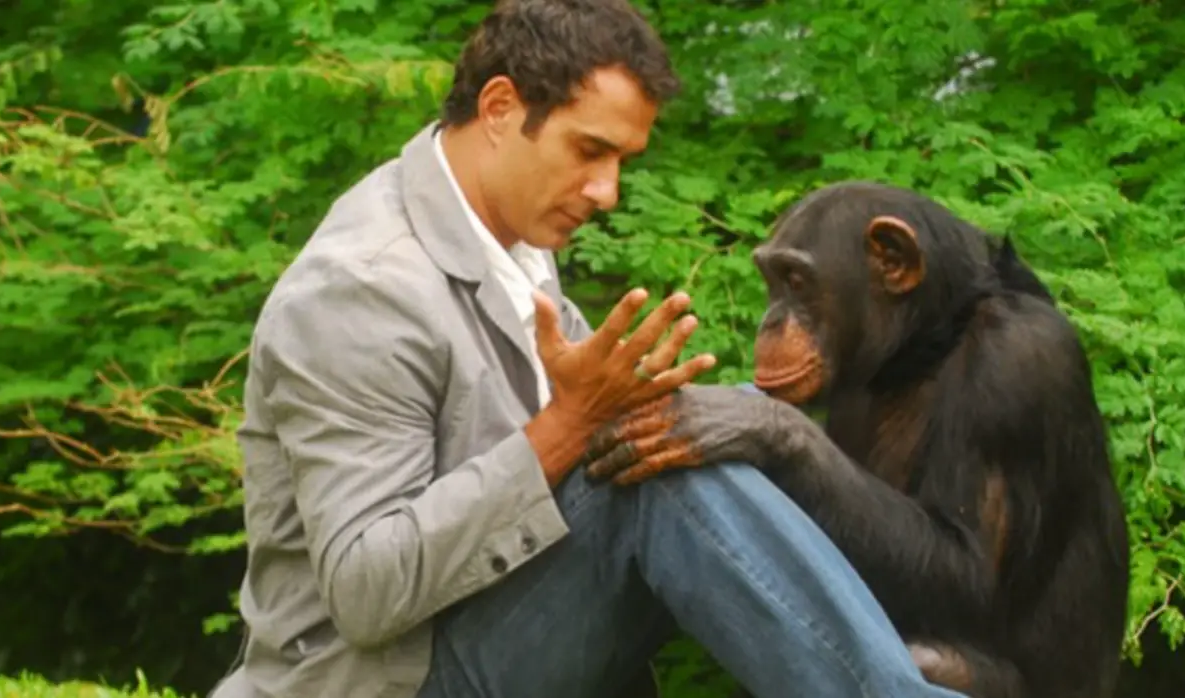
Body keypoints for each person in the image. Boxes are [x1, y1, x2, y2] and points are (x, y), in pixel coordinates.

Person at [208, 1, 969, 697]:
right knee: (661, 475)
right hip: (378, 683)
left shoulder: (513, 234)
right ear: (500, 108)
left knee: (717, 422)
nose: (607, 191)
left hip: (484, 638)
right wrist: (567, 427)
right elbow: (367, 593)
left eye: (622, 162)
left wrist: (630, 413)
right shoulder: (360, 290)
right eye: (589, 151)